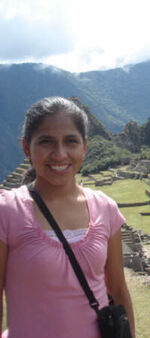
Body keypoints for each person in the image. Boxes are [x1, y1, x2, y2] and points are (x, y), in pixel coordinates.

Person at [0, 97, 135, 338]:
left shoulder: (105, 208)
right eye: (46, 142)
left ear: (84, 146)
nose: (60, 154)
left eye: (70, 141)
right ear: (26, 147)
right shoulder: (7, 212)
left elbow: (118, 290)